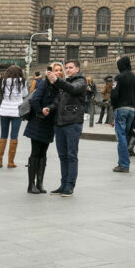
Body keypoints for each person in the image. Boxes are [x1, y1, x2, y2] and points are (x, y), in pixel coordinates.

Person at [50, 59, 87, 197]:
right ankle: (63, 184)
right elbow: (57, 101)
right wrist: (49, 108)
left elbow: (73, 89)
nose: (68, 69)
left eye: (71, 67)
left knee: (71, 155)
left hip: (72, 122)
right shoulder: (65, 82)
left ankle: (70, 186)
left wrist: (58, 81)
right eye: (67, 67)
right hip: (60, 123)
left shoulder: (81, 81)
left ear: (77, 69)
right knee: (62, 156)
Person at [24, 62, 62, 194]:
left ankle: (40, 183)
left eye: (59, 70)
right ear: (49, 72)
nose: (57, 72)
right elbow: (34, 100)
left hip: (49, 124)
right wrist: (41, 112)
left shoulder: (59, 86)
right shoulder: (42, 84)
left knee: (43, 154)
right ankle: (31, 184)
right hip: (38, 122)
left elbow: (57, 103)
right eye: (55, 70)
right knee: (35, 153)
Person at [111, 55, 135, 173]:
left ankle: (123, 164)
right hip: (132, 109)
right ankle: (124, 162)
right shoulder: (134, 78)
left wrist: (114, 105)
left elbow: (114, 94)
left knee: (121, 137)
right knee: (126, 135)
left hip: (121, 108)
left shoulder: (119, 77)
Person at [0, 65, 27, 169]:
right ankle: (10, 162)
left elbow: (0, 92)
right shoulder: (22, 82)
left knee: (3, 135)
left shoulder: (3, 81)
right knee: (14, 136)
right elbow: (25, 94)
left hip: (4, 110)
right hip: (16, 112)